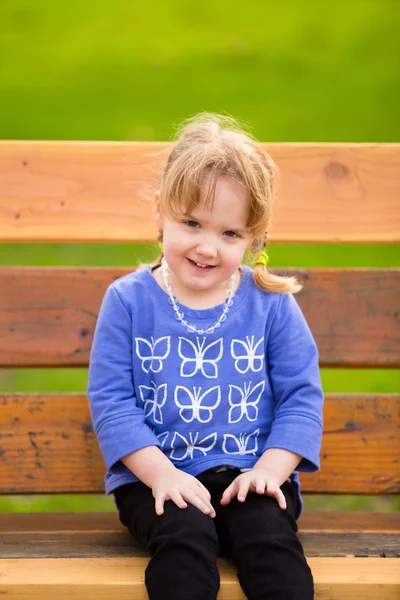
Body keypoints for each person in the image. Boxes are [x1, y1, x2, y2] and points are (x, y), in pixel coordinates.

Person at [87, 112, 324, 600]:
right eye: (191, 223)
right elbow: (112, 403)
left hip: (251, 476)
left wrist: (269, 473)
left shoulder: (270, 302)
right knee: (185, 538)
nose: (207, 247)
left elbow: (302, 396)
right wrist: (162, 475)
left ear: (254, 238)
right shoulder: (129, 300)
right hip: (155, 478)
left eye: (230, 234)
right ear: (160, 211)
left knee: (269, 540)